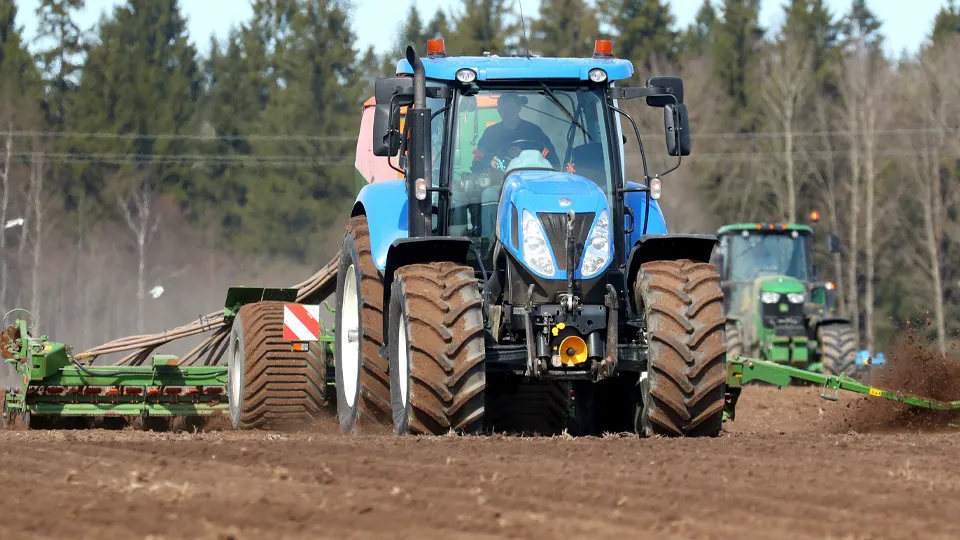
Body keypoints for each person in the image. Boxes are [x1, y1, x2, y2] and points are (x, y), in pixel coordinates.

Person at [471, 93, 559, 174]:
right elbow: (477, 162)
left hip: (530, 179)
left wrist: (524, 156)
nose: (506, 111)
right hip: (499, 182)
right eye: (503, 107)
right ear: (498, 110)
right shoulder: (490, 133)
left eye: (510, 107)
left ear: (518, 108)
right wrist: (489, 160)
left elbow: (553, 161)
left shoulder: (534, 132)